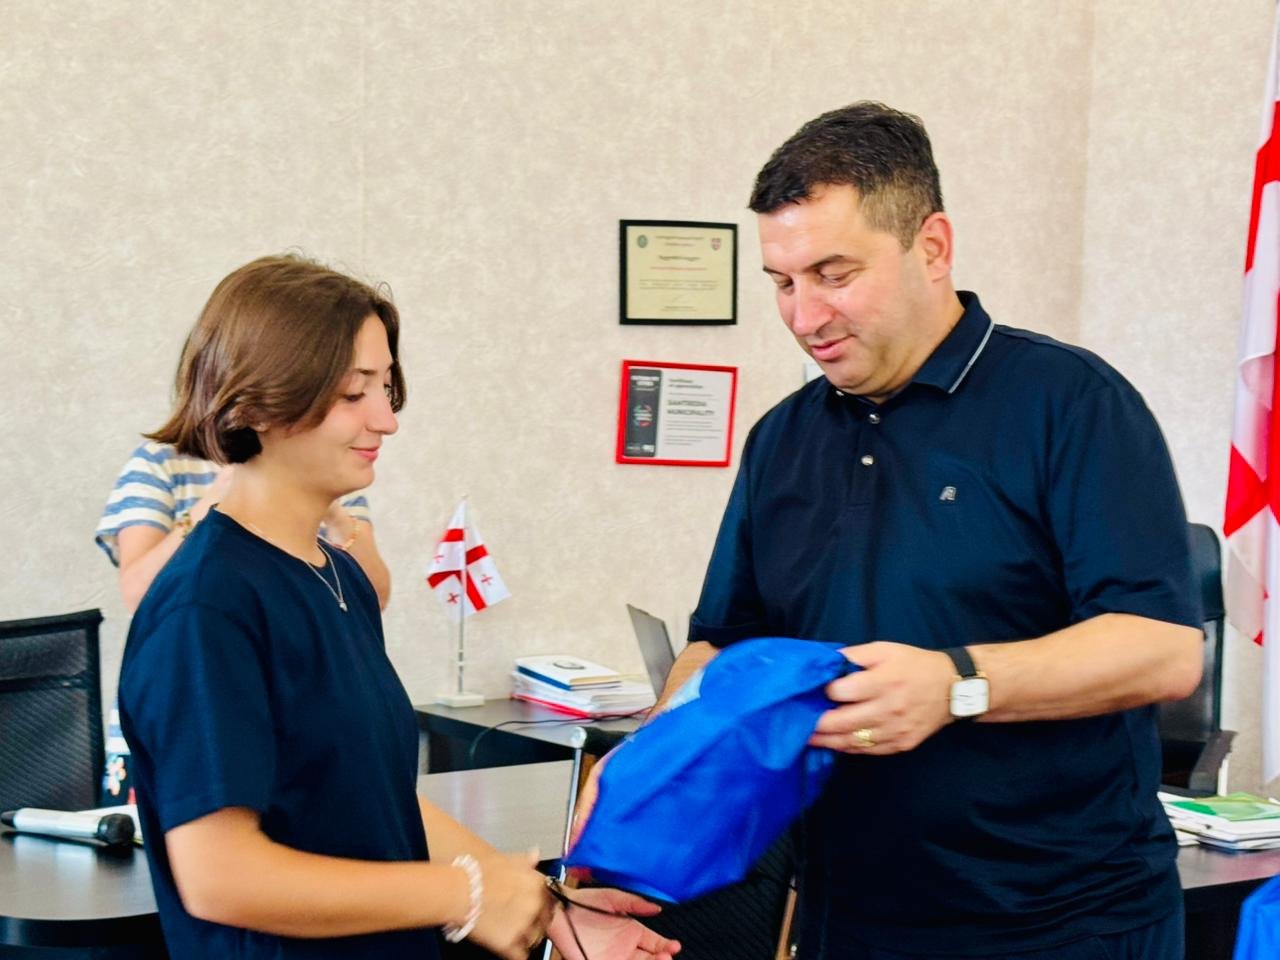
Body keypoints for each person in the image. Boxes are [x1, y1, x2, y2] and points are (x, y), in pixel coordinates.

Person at [580, 102, 1204, 960]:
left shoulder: (1072, 404)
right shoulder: (781, 438)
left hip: (1064, 923)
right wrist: (652, 754)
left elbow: (1162, 650)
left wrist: (956, 685)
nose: (804, 317)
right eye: (782, 282)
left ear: (932, 247)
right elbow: (722, 642)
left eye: (833, 274)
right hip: (849, 915)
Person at [118, 254, 680, 960]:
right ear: (257, 405)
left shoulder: (339, 579)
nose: (386, 419)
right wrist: (464, 896)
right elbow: (220, 877)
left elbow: (374, 796)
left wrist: (547, 907)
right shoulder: (208, 607)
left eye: (385, 388)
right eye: (353, 392)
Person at [96, 442, 392, 611]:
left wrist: (334, 514)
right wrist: (211, 504)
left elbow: (377, 597)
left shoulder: (331, 461)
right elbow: (138, 596)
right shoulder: (160, 460)